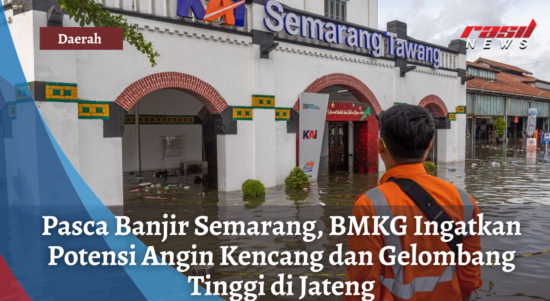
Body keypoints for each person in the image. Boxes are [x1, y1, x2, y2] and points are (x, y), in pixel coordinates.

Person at [346, 105, 482, 301]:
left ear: (380, 146)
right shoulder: (463, 200)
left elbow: (361, 288)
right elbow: (470, 277)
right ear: (429, 145)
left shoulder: (369, 205)